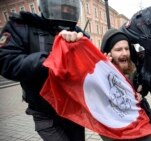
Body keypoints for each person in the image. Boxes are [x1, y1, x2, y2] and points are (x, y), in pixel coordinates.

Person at [0, 0, 89, 140]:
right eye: (60, 6)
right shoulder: (22, 26)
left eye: (69, 8)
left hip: (73, 110)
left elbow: (89, 69)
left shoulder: (79, 34)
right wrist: (50, 60)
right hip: (45, 113)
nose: (65, 10)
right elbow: (6, 61)